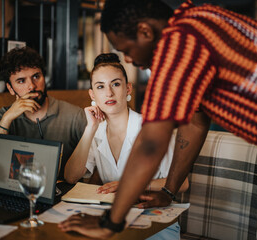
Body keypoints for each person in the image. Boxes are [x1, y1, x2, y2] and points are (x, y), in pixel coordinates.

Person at [58, 0, 257, 239]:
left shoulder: (180, 51)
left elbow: (151, 145)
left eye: (127, 50)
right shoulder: (196, 20)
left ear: (145, 31)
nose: (128, 60)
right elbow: (196, 122)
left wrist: (110, 222)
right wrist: (169, 192)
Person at [64, 53, 188, 240]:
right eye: (100, 87)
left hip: (153, 221)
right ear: (92, 95)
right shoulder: (97, 130)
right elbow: (71, 176)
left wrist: (129, 185)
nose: (108, 93)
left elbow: (183, 183)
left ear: (128, 88)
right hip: (113, 218)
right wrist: (90, 128)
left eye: (115, 84)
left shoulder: (152, 127)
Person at [0, 47, 87, 179]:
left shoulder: (74, 115)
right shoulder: (2, 117)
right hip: (15, 194)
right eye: (21, 81)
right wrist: (7, 120)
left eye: (36, 76)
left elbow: (97, 163)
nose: (32, 86)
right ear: (10, 89)